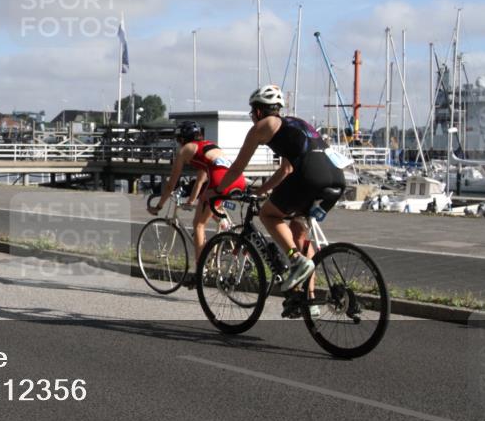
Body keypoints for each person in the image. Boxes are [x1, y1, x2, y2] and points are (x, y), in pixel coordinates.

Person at [211, 84, 347, 294]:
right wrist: (260, 191)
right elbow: (285, 169)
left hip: (309, 177)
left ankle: (295, 260)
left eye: (252, 113)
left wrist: (219, 189)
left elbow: (238, 167)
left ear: (258, 111)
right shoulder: (295, 124)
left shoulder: (263, 126)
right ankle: (308, 299)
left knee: (268, 215)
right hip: (336, 178)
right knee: (299, 234)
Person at [148, 121, 246, 264]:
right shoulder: (208, 146)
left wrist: (159, 207)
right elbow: (200, 180)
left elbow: (171, 184)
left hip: (220, 181)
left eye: (178, 140)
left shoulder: (185, 150)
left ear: (182, 138)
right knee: (210, 209)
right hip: (238, 179)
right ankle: (228, 233)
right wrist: (192, 199)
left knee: (199, 224)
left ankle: (200, 269)